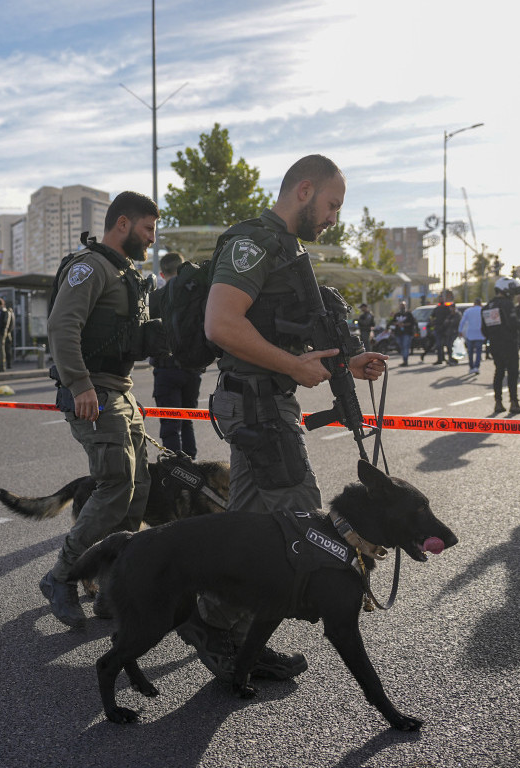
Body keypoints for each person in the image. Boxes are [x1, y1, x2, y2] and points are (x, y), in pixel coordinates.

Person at [188, 154, 388, 683]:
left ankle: (223, 630)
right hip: (256, 404)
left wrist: (348, 363)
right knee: (297, 524)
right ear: (304, 190)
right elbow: (220, 323)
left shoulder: (286, 248)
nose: (334, 218)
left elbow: (279, 329)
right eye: (332, 205)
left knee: (251, 530)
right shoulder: (253, 243)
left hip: (266, 401)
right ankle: (222, 629)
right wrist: (293, 367)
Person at [42, 190, 159, 629]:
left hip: (120, 392)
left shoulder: (123, 272)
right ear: (123, 224)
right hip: (95, 393)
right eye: (147, 229)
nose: (151, 238)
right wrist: (80, 384)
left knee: (137, 488)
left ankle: (113, 588)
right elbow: (62, 325)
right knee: (115, 487)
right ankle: (61, 576)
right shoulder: (89, 267)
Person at [149, 251, 201, 455]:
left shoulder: (156, 298)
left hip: (166, 369)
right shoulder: (196, 294)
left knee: (170, 425)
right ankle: (191, 465)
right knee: (188, 421)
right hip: (192, 368)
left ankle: (175, 469)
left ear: (162, 274)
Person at [481, 278, 520, 415]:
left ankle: (498, 402)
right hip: (509, 343)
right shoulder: (507, 304)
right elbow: (513, 323)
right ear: (505, 289)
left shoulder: (487, 306)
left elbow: (484, 330)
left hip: (494, 345)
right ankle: (514, 403)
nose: (513, 294)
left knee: (499, 372)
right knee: (512, 373)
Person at [431, 290, 460, 365]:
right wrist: (433, 323)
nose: (441, 300)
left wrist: (447, 323)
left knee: (448, 345)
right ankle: (440, 359)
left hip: (446, 330)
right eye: (440, 299)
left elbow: (451, 317)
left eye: (442, 299)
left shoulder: (447, 308)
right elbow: (432, 317)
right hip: (438, 329)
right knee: (439, 345)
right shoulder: (437, 308)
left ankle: (450, 359)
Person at [458, 299, 486, 374]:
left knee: (470, 352)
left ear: (474, 303)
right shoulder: (483, 310)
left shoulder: (468, 311)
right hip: (480, 334)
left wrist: (460, 331)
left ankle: (471, 367)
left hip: (470, 334)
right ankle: (477, 367)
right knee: (478, 352)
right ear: (480, 303)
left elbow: (462, 321)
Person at [389, 301, 416, 367]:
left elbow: (412, 322)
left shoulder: (409, 314)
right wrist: (397, 324)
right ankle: (404, 358)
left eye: (403, 305)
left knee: (405, 346)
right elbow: (393, 322)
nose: (402, 307)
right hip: (398, 333)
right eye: (401, 305)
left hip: (407, 333)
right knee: (401, 346)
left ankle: (405, 361)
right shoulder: (397, 314)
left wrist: (404, 324)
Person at [0, 297, 16, 369]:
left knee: (7, 350)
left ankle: (8, 364)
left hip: (7, 334)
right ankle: (8, 364)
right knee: (7, 350)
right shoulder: (10, 313)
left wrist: (6, 332)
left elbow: (8, 324)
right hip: (8, 334)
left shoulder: (7, 313)